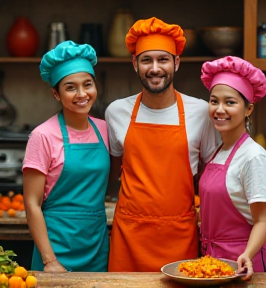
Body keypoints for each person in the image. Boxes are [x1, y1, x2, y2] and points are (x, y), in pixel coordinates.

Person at [105, 17, 220, 272]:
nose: (155, 68)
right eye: (146, 60)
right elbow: (115, 171)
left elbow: (210, 176)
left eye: (163, 59)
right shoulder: (117, 112)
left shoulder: (201, 112)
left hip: (179, 234)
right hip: (129, 236)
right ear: (135, 64)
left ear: (176, 63)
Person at [22, 41, 110, 272]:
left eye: (87, 85)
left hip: (97, 242)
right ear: (56, 94)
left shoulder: (105, 129)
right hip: (56, 245)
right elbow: (32, 204)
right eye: (71, 87)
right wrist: (49, 260)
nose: (82, 94)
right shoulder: (42, 136)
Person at [199, 55, 266, 280]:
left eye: (230, 102)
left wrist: (247, 255)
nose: (219, 109)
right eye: (214, 101)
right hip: (212, 261)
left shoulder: (253, 157)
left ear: (248, 108)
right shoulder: (217, 151)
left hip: (243, 264)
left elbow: (263, 220)